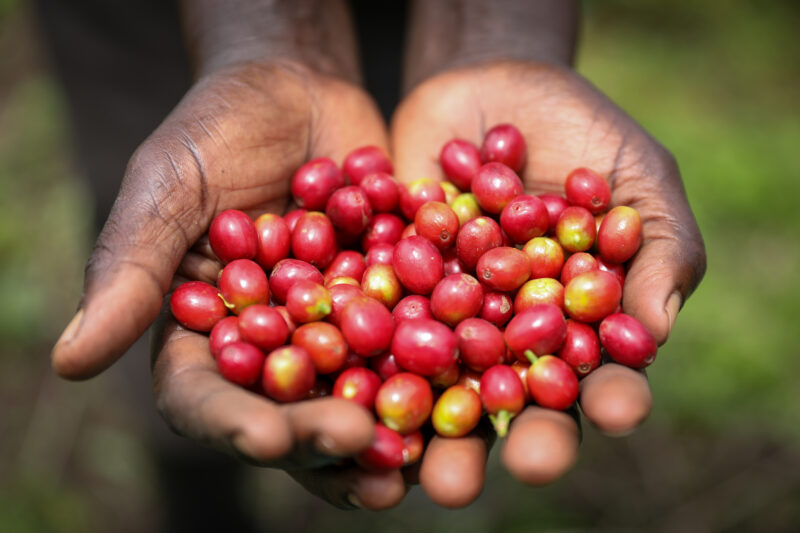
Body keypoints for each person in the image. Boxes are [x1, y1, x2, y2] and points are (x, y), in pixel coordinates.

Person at [46, 0, 705, 512]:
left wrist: (497, 39)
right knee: (155, 224)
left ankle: (416, 496)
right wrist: (270, 44)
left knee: (400, 82)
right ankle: (195, 495)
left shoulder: (450, 261)